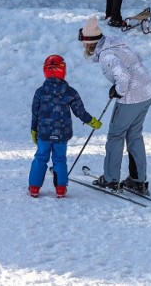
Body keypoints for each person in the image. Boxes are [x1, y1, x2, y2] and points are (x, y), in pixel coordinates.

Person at [78, 17, 151, 195]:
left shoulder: (107, 55)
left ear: (90, 43)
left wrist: (119, 90)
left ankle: (111, 179)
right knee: (134, 135)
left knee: (115, 135)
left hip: (132, 97)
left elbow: (124, 77)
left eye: (83, 42)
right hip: (146, 93)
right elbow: (138, 59)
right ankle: (137, 180)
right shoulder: (116, 44)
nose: (82, 46)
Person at [29, 55, 102, 198]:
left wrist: (34, 129)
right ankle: (61, 188)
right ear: (63, 70)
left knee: (40, 158)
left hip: (44, 134)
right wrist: (92, 121)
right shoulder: (70, 92)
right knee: (60, 159)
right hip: (62, 134)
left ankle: (34, 188)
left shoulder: (40, 92)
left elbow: (35, 113)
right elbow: (80, 111)